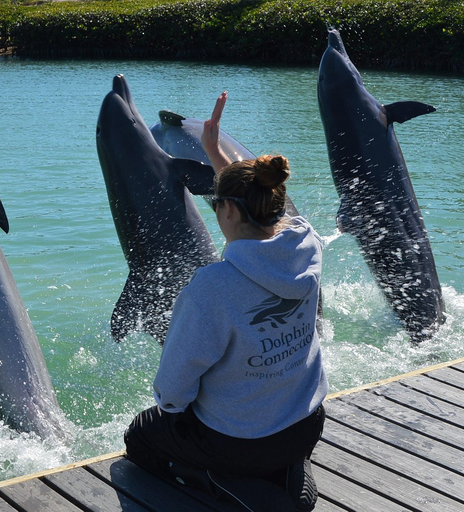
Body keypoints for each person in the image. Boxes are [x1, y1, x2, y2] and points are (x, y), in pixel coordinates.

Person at [124, 92, 328, 511]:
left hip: (239, 442)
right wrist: (214, 150)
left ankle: (223, 481)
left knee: (141, 437)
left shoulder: (212, 288)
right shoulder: (308, 243)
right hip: (308, 421)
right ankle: (288, 466)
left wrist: (177, 411)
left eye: (216, 203)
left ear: (229, 212)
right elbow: (261, 202)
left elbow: (172, 393)